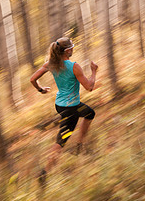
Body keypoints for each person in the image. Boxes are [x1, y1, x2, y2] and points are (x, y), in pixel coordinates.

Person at [30, 37, 98, 187]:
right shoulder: (74, 66)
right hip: (71, 108)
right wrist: (93, 72)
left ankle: (80, 145)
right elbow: (90, 87)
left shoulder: (51, 64)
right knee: (61, 141)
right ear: (67, 51)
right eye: (72, 47)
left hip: (61, 105)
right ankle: (44, 173)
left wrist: (41, 89)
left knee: (89, 113)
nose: (73, 49)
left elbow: (32, 79)